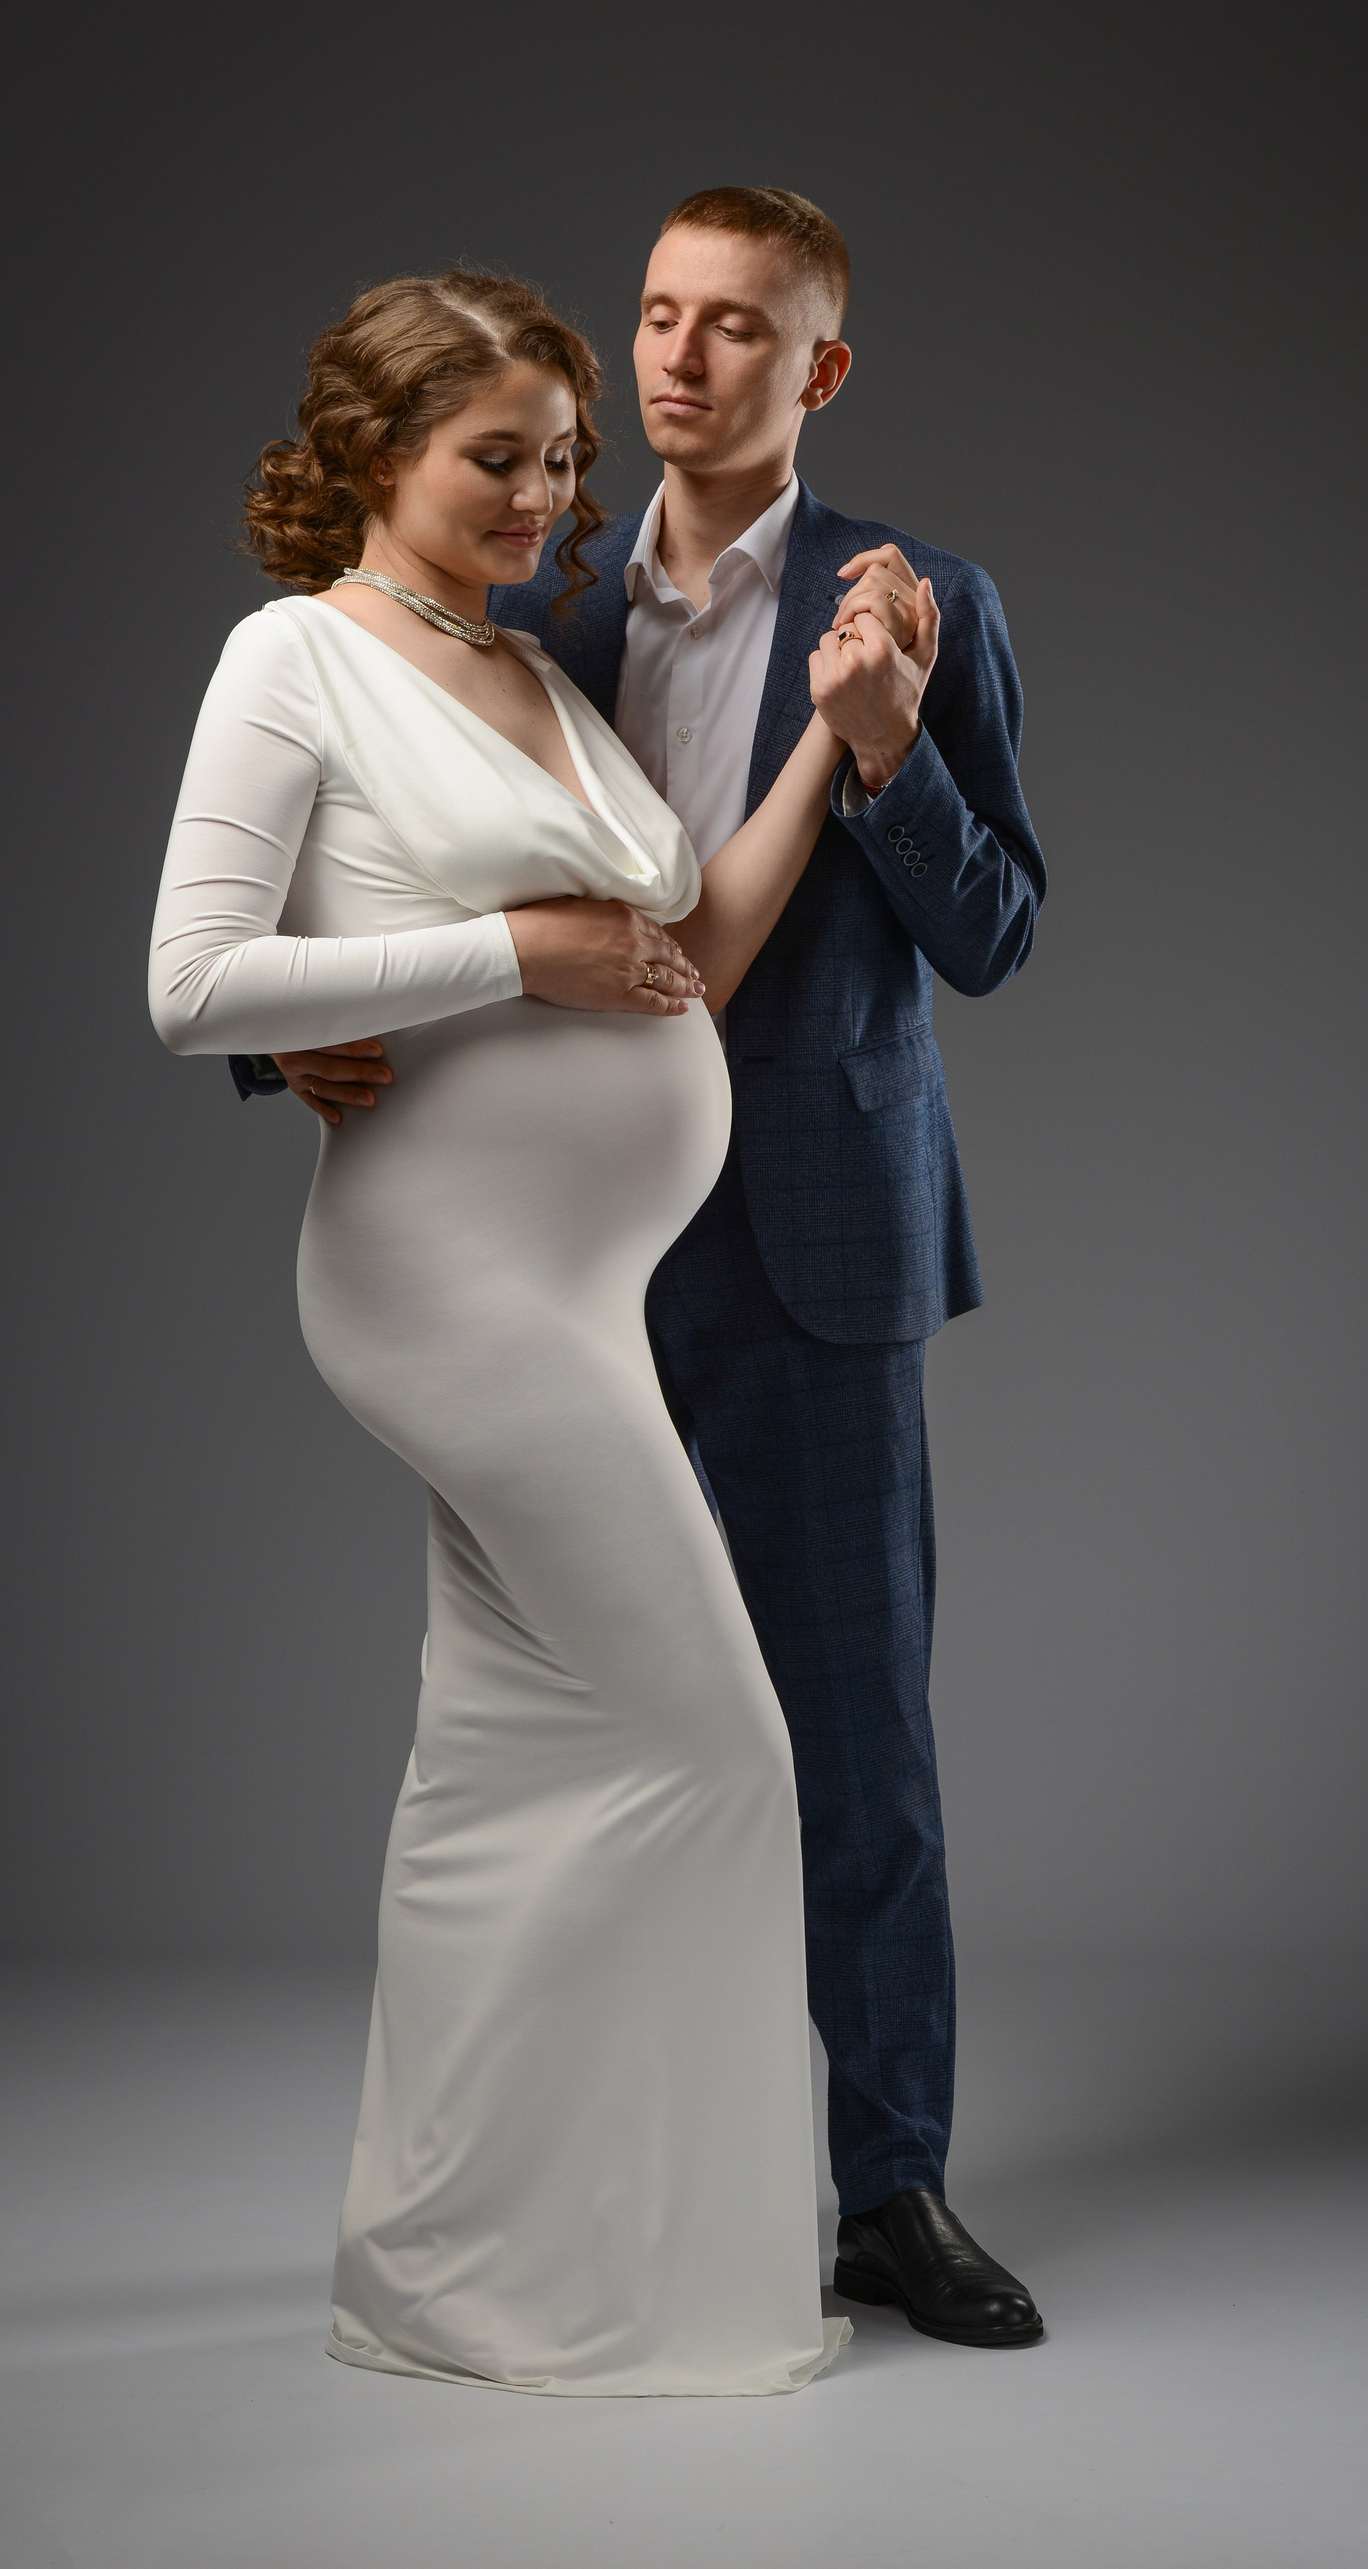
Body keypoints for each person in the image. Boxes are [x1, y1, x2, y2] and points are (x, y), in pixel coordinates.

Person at [257, 189, 1049, 2349]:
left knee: (850, 1739)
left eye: (740, 329)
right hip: (536, 1257)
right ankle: (614, 2180)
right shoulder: (532, 593)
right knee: (578, 1723)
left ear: (824, 368)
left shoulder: (924, 602)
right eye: (660, 318)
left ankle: (886, 2188)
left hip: (811, 1249)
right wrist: (295, 1043)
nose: (683, 361)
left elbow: (996, 931)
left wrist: (884, 745)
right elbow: (359, 859)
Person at [150, 268, 885, 2392]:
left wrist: (834, 748)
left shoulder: (531, 674)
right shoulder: (295, 657)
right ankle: (648, 2281)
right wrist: (502, 956)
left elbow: (683, 954)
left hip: (575, 1288)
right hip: (451, 1286)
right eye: (497, 457)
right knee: (721, 1750)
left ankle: (458, 2271)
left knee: (502, 1771)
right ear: (374, 451)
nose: (545, 498)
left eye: (564, 460)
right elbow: (193, 986)